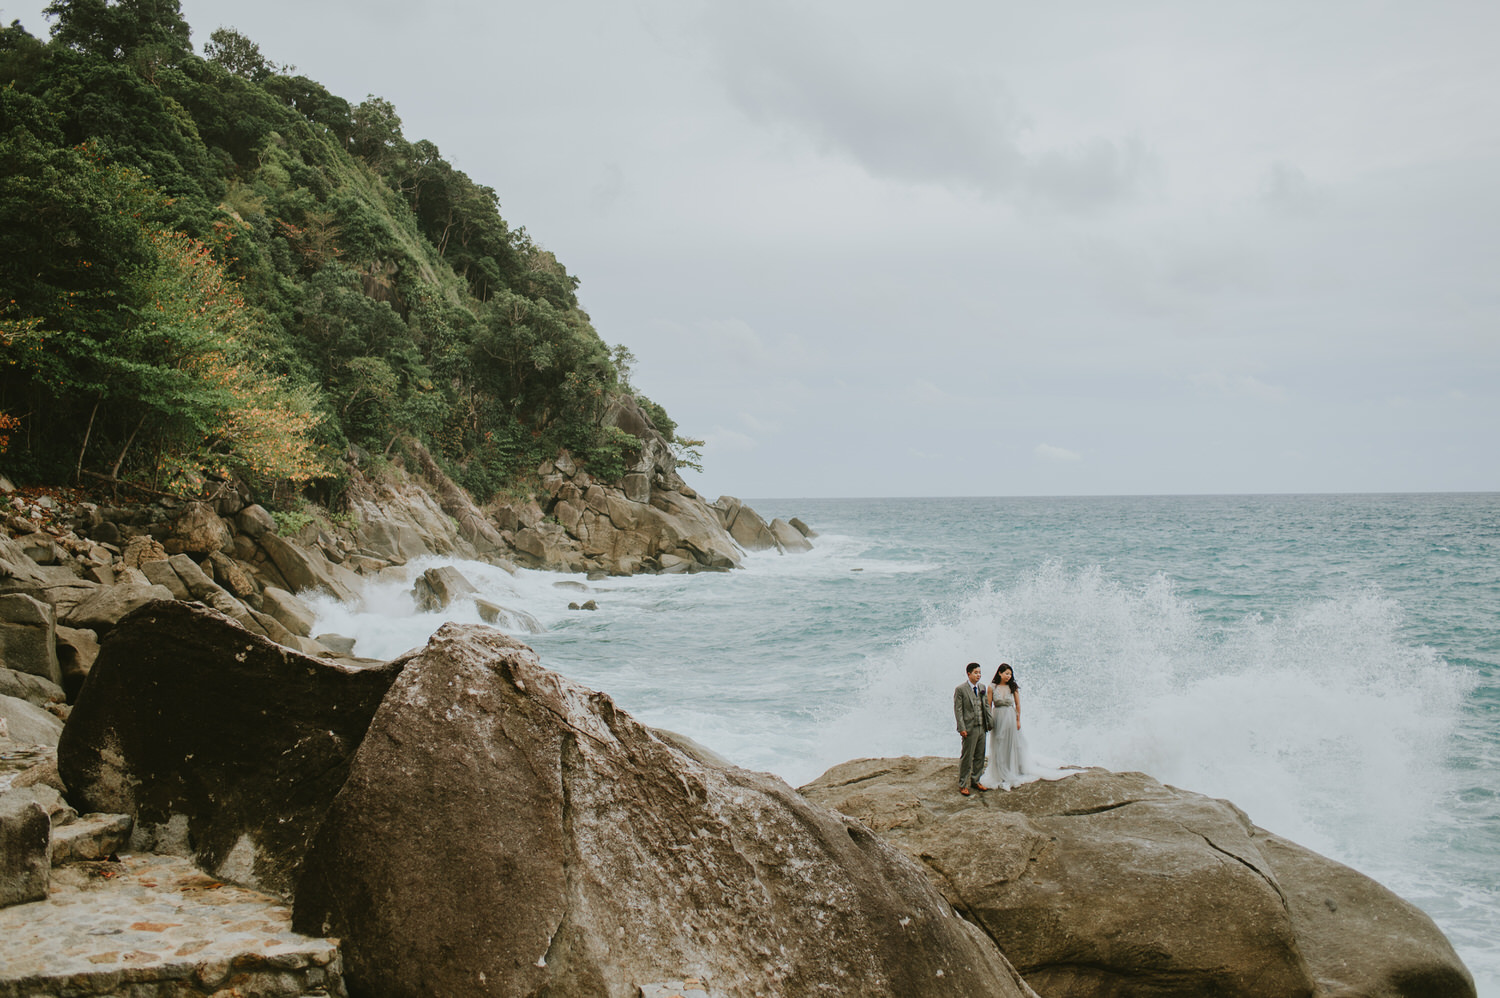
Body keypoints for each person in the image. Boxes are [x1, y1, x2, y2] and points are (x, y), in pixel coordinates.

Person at [953, 662, 992, 796]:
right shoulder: (961, 689)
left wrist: (989, 722)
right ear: (968, 674)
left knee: (980, 755)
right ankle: (962, 784)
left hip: (982, 726)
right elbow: (958, 710)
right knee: (967, 757)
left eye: (980, 673)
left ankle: (976, 780)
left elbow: (986, 706)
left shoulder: (982, 687)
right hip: (969, 728)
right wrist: (961, 728)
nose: (978, 675)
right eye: (976, 673)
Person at [986, 663, 1025, 790]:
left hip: (1010, 716)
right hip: (998, 716)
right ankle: (999, 772)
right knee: (998, 743)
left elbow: (1018, 705)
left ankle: (1011, 769)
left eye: (1010, 674)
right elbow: (989, 705)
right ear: (1000, 673)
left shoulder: (1013, 687)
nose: (1009, 676)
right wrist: (989, 721)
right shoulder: (992, 687)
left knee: (1010, 744)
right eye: (1006, 673)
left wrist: (1018, 720)